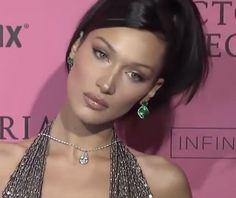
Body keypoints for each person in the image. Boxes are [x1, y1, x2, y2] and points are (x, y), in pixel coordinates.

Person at [0, 0, 209, 197]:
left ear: (152, 90)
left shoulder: (162, 183)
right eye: (101, 54)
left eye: (134, 75)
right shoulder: (3, 164)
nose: (107, 84)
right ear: (77, 45)